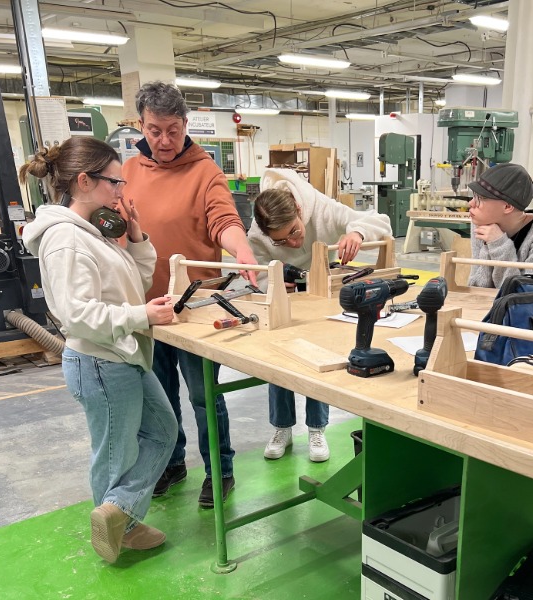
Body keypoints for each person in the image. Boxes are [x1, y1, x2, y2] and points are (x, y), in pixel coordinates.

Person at [20, 137, 178, 562]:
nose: (121, 191)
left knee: (163, 431)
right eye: (114, 181)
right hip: (100, 360)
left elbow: (136, 280)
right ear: (85, 181)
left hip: (122, 353)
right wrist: (140, 316)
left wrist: (138, 235)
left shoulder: (96, 234)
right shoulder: (66, 240)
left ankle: (118, 512)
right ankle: (118, 529)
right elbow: (77, 315)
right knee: (114, 454)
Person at [122, 81, 259, 508]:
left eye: (173, 131)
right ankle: (171, 462)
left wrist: (242, 248)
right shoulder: (128, 171)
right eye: (154, 130)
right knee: (159, 397)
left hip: (195, 307)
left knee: (204, 397)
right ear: (140, 125)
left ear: (186, 125)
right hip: (147, 306)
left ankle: (221, 471)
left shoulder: (205, 172)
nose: (163, 141)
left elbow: (224, 220)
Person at [248, 169, 395, 463]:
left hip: (320, 292)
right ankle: (282, 428)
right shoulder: (257, 232)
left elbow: (381, 220)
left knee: (317, 360)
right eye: (280, 241)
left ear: (300, 210)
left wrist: (356, 232)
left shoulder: (319, 207)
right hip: (286, 297)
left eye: (294, 231)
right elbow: (257, 269)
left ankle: (317, 429)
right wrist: (272, 282)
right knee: (279, 361)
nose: (291, 243)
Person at [467, 163, 533, 287]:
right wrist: (487, 248)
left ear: (507, 206)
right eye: (474, 196)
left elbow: (525, 293)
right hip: (497, 303)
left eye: (480, 198)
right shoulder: (481, 223)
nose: (471, 203)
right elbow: (477, 286)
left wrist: (498, 244)